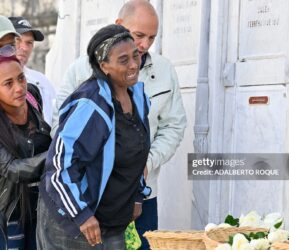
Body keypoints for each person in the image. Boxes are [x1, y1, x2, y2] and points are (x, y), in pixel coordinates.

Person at [51, 1, 187, 249]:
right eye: (139, 36)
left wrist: (146, 165)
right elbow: (60, 134)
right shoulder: (81, 73)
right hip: (93, 201)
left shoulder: (160, 74)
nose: (144, 45)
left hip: (141, 197)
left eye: (151, 38)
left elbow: (173, 126)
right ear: (119, 26)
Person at [36, 24, 151, 250]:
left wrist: (138, 194)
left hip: (112, 221)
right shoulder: (91, 105)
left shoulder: (137, 97)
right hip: (73, 224)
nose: (133, 65)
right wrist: (81, 214)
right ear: (104, 65)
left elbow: (136, 150)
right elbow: (59, 165)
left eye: (135, 56)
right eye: (123, 60)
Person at [0, 55, 51, 250]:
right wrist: (58, 154)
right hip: (10, 213)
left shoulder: (32, 96)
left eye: (21, 78)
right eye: (8, 83)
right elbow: (12, 169)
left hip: (42, 206)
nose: (19, 87)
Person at [9, 16, 56, 126]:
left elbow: (56, 116)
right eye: (18, 40)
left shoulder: (42, 80)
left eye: (29, 42)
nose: (24, 48)